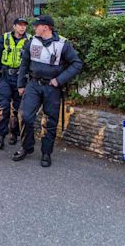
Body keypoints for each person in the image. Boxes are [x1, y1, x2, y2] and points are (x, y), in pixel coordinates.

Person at [13, 15, 82, 167]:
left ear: (46, 27)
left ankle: (46, 153)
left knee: (50, 121)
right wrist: (20, 85)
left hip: (52, 87)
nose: (34, 28)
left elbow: (77, 64)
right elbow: (24, 63)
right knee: (25, 116)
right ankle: (26, 147)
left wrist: (59, 80)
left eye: (37, 25)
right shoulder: (31, 42)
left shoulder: (62, 44)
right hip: (33, 84)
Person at [0, 18, 31, 150]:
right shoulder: (4, 38)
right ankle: (0, 135)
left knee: (16, 109)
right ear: (14, 26)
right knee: (3, 106)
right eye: (20, 25)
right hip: (5, 76)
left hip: (21, 78)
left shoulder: (30, 40)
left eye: (24, 25)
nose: (22, 28)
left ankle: (14, 133)